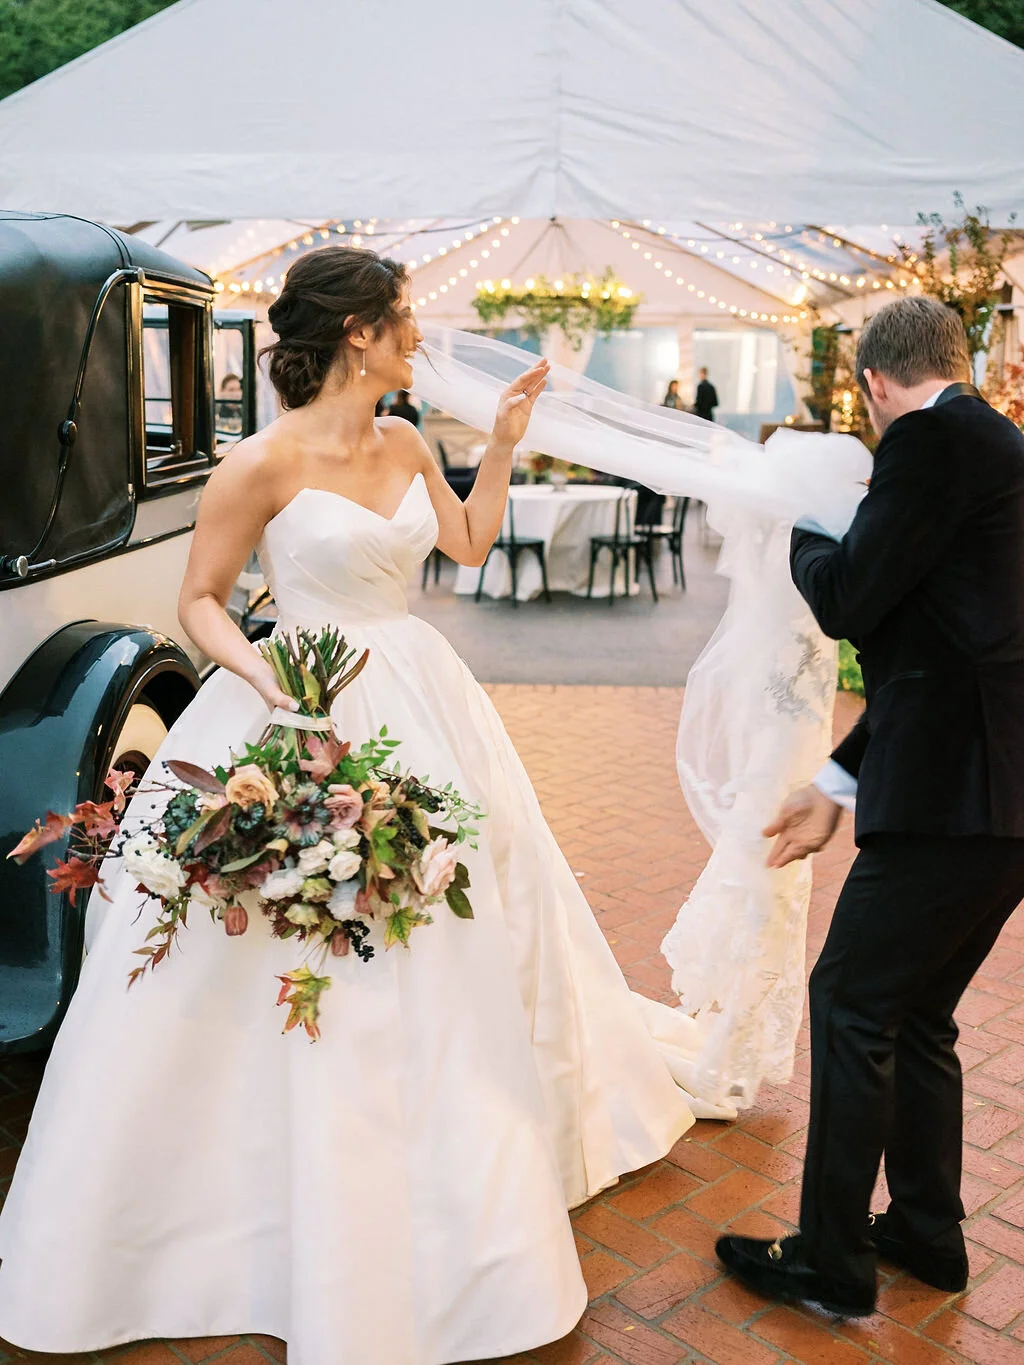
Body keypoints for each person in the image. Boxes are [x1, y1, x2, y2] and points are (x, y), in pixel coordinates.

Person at [0, 246, 719, 1365]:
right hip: (293, 701)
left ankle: (449, 1165)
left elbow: (470, 544)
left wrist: (506, 449)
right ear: (355, 335)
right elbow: (198, 601)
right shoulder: (260, 462)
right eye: (401, 319)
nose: (417, 334)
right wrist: (259, 677)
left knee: (450, 918)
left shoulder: (407, 441)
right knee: (295, 925)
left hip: (424, 702)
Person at [716, 297, 1024, 1316]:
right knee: (918, 1013)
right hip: (994, 797)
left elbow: (848, 599)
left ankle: (833, 1260)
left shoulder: (931, 442)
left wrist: (798, 525)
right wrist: (841, 782)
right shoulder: (999, 447)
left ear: (874, 385)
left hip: (952, 803)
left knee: (850, 1004)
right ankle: (927, 1233)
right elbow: (947, 657)